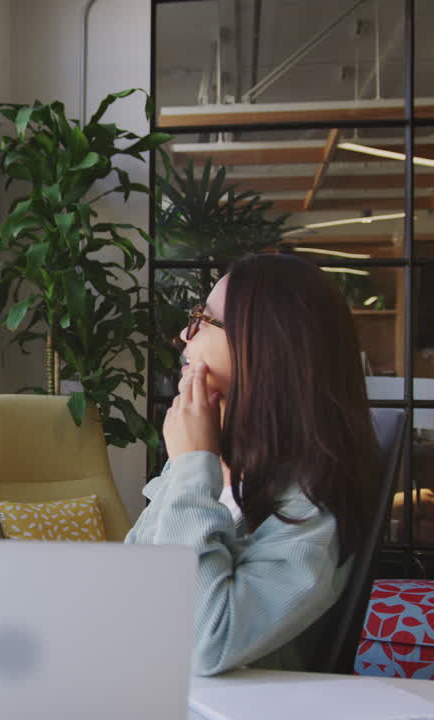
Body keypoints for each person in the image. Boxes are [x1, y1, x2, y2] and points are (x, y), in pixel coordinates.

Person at [127, 253, 378, 675]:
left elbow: (203, 643)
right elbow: (133, 583)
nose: (183, 335)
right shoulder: (213, 456)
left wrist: (191, 467)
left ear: (262, 345)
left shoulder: (313, 506)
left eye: (202, 319)